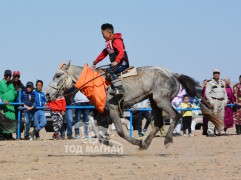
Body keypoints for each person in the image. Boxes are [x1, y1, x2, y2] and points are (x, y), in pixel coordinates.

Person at [92, 23, 129, 97]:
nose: (102, 36)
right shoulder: (109, 43)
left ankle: (119, 89)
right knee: (102, 71)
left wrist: (117, 61)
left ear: (109, 33)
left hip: (122, 63)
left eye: (103, 34)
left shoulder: (116, 40)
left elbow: (121, 51)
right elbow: (104, 53)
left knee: (109, 71)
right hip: (116, 64)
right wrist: (95, 62)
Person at [205, 69, 228, 137]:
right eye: (215, 73)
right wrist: (211, 101)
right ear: (213, 74)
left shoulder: (222, 82)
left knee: (221, 117)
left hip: (222, 101)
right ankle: (210, 132)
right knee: (213, 116)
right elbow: (207, 93)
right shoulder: (210, 83)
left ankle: (221, 131)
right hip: (214, 101)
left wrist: (225, 101)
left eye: (217, 73)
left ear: (219, 74)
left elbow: (225, 93)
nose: (216, 74)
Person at [0, 70, 17, 140]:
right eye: (7, 76)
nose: (8, 77)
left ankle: (9, 135)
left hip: (10, 105)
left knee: (11, 120)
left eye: (9, 76)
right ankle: (2, 135)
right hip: (3, 106)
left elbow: (14, 93)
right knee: (3, 120)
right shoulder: (1, 83)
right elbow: (0, 94)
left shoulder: (11, 84)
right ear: (4, 76)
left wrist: (10, 94)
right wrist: (4, 100)